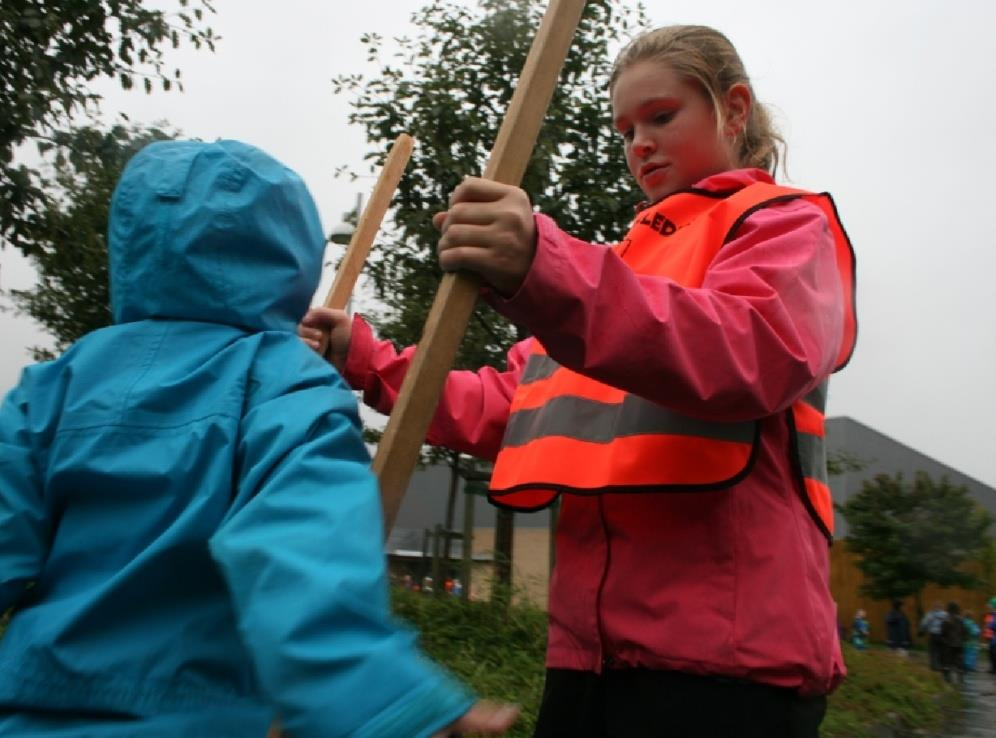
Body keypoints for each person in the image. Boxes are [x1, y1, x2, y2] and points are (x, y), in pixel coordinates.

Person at [301, 24, 856, 738]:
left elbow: (750, 353)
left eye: (661, 116)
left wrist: (544, 266)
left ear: (736, 109)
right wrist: (364, 358)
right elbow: (503, 408)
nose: (640, 144)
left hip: (728, 670)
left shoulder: (784, 224)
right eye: (626, 129)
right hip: (589, 660)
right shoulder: (615, 266)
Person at [0, 140, 516, 738]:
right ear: (293, 258)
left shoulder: (58, 381)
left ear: (131, 244)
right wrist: (381, 698)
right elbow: (299, 544)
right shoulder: (285, 383)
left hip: (18, 706)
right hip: (202, 711)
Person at [919, 601, 948, 672]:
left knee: (933, 651)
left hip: (933, 635)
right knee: (941, 651)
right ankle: (941, 665)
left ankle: (934, 666)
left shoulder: (930, 614)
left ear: (934, 607)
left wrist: (921, 631)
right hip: (943, 635)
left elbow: (924, 623)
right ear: (942, 607)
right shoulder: (946, 614)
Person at [940, 603, 965, 684]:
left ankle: (948, 679)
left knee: (947, 661)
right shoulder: (961, 619)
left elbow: (943, 633)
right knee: (959, 661)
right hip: (959, 643)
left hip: (948, 644)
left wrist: (944, 640)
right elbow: (963, 631)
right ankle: (960, 677)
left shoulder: (946, 620)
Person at [984, 597, 996, 674]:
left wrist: (989, 625)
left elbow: (993, 625)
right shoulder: (991, 615)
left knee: (994, 654)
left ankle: (994, 669)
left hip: (994, 638)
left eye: (990, 606)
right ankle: (993, 668)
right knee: (991, 653)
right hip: (992, 638)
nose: (989, 608)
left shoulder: (994, 615)